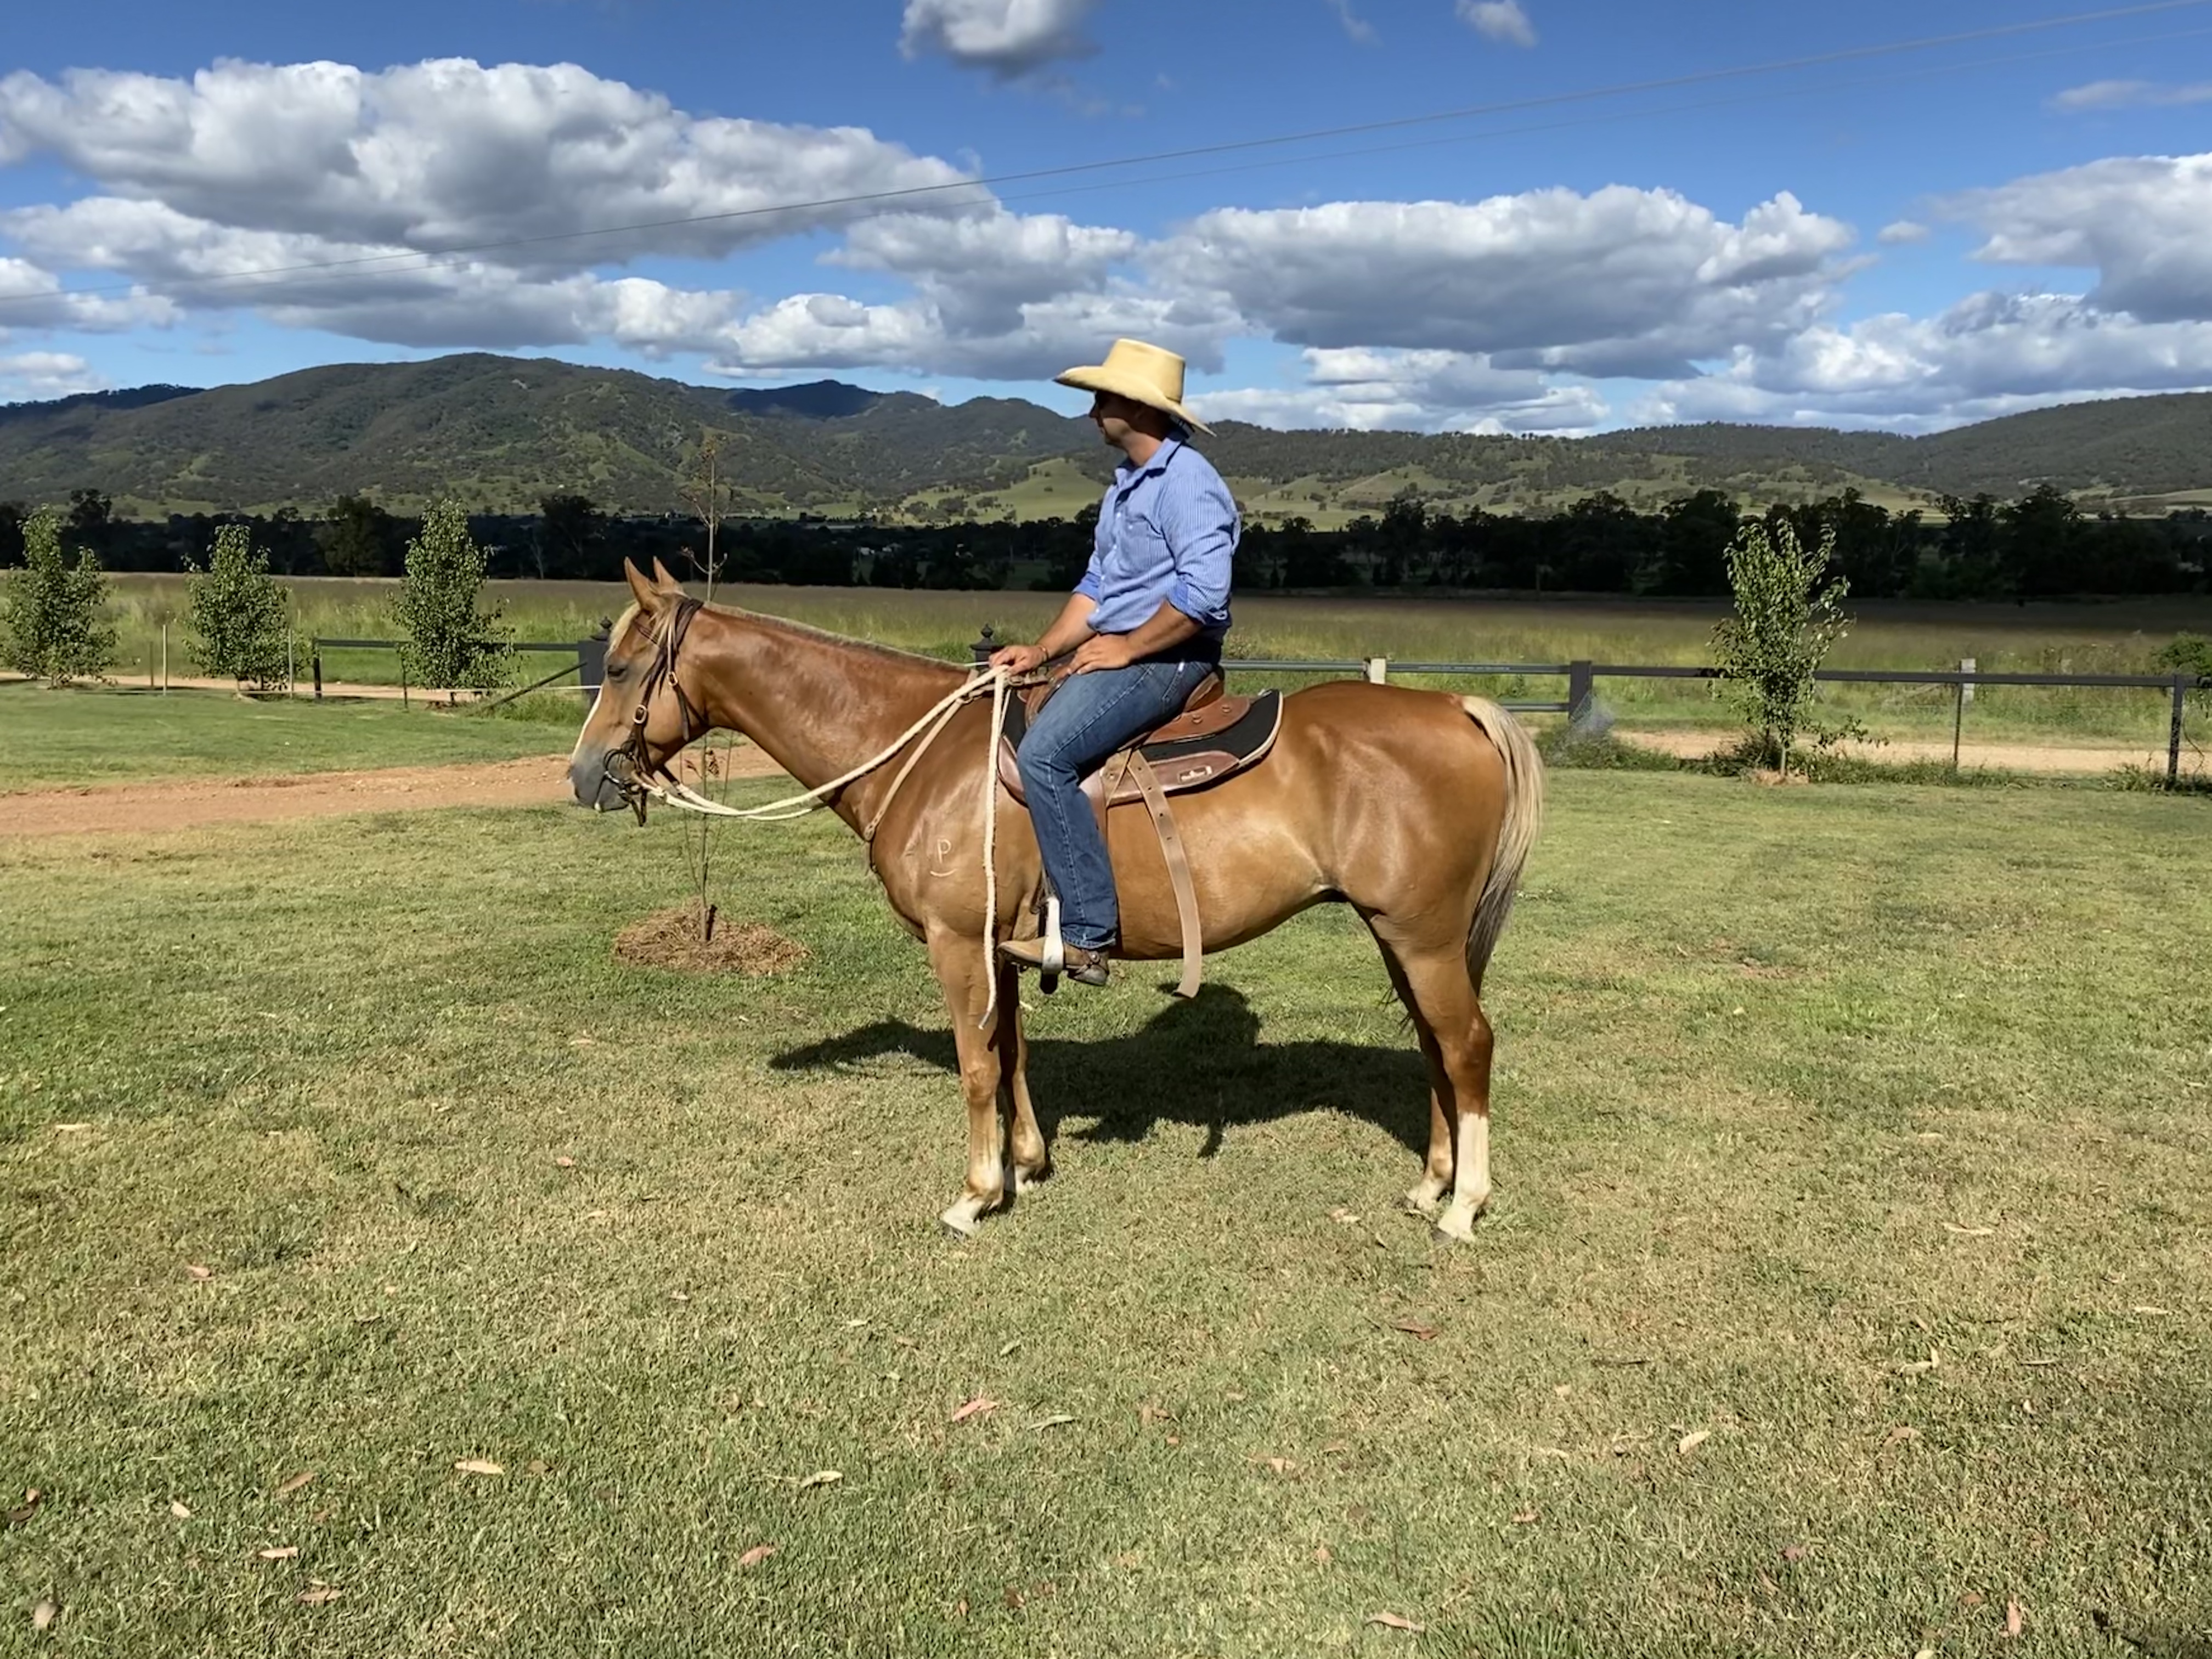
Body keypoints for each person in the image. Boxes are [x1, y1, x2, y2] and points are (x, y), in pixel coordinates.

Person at [991, 338, 1238, 988]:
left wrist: (1126, 647)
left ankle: (1085, 934)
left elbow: (1204, 595)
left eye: (1103, 398)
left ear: (1141, 408)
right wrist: (1044, 649)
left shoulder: (1187, 483)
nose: (1092, 411)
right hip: (1126, 649)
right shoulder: (1126, 486)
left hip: (1171, 656)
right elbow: (1098, 588)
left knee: (1045, 756)